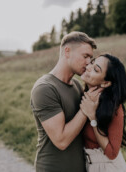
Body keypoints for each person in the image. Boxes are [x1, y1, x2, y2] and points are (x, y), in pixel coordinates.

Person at [30, 31, 102, 172]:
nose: (89, 63)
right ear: (67, 52)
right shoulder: (45, 88)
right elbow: (61, 141)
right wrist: (84, 109)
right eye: (85, 56)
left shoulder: (76, 85)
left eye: (91, 58)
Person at [80, 54, 126, 172]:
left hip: (108, 166)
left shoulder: (114, 108)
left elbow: (112, 153)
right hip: (89, 165)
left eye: (96, 70)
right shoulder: (82, 95)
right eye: (92, 63)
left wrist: (93, 117)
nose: (88, 67)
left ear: (106, 83)